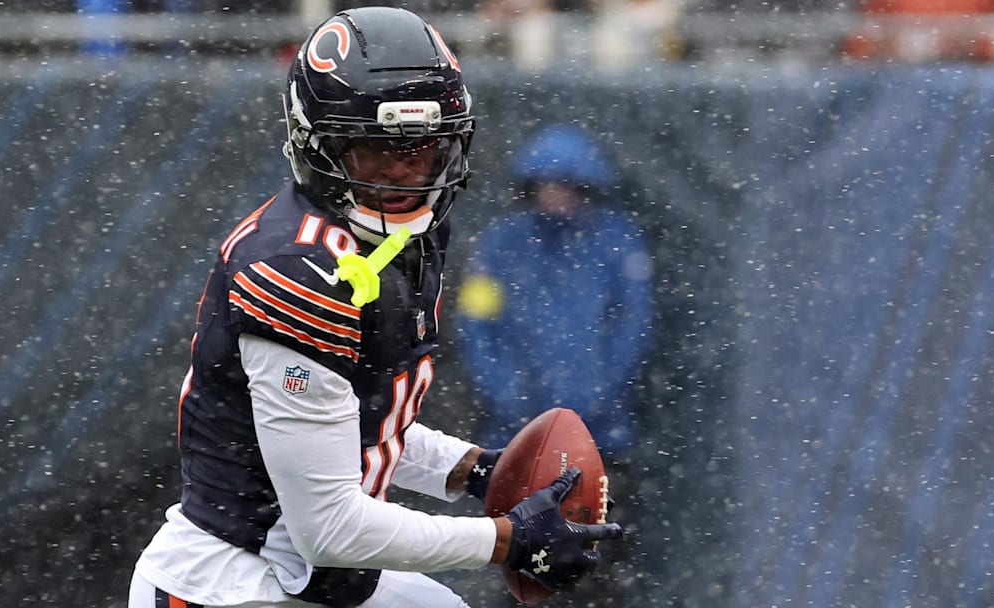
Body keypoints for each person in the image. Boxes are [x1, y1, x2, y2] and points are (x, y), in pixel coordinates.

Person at [127, 7, 623, 608]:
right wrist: (506, 541)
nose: (404, 177)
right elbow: (329, 527)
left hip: (311, 578)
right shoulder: (300, 271)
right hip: (233, 583)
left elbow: (355, 418)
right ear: (320, 146)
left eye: (422, 152)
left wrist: (472, 469)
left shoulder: (398, 241)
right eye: (377, 153)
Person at [455, 124, 656, 604]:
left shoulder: (616, 242)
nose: (555, 195)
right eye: (545, 184)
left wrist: (597, 395)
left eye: (566, 184)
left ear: (587, 187)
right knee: (521, 566)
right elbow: (476, 321)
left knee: (599, 566)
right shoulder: (502, 244)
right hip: (518, 438)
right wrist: (506, 391)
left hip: (601, 438)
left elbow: (634, 323)